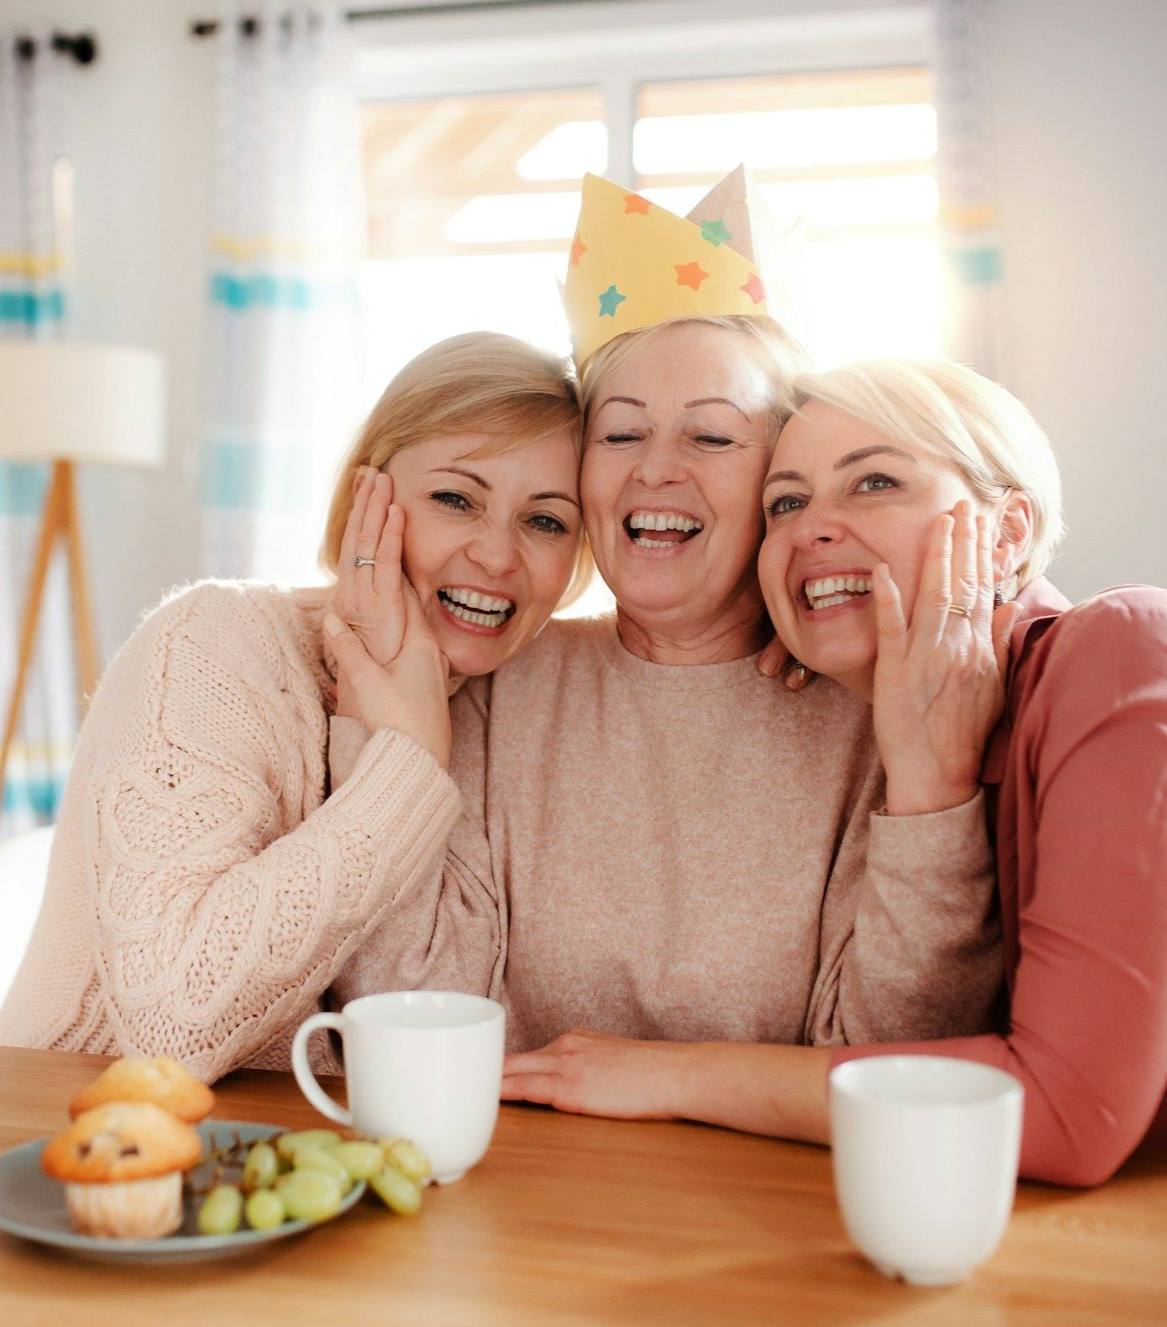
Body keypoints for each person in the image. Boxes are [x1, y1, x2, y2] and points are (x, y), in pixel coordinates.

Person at [333, 173, 1006, 1082]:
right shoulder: (495, 685)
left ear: (777, 473)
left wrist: (930, 787)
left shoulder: (873, 708)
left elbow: (889, 1059)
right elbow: (415, 1013)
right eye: (620, 434)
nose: (656, 471)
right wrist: (390, 737)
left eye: (712, 437)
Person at [743, 356, 1167, 1182]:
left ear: (1008, 533)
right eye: (785, 502)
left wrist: (660, 1073)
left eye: (873, 482)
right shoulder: (893, 730)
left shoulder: (1128, 651)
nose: (810, 527)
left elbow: (1060, 1115)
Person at [0, 332, 589, 1083]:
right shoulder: (212, 643)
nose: (498, 556)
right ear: (364, 499)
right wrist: (403, 758)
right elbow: (171, 1022)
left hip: (301, 1169)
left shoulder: (506, 699)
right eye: (455, 498)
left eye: (545, 520)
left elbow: (437, 1034)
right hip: (67, 1142)